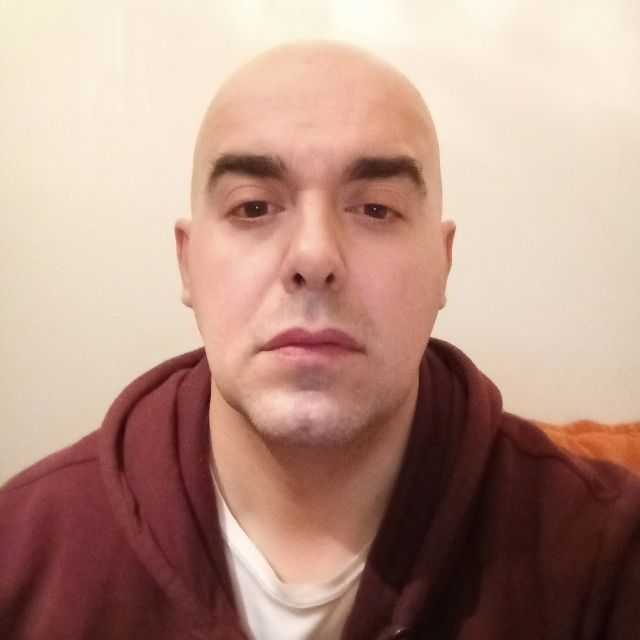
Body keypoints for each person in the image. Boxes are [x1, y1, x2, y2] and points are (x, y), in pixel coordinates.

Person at [1, 41, 639, 640]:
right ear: (187, 263)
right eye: (254, 207)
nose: (313, 257)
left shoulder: (604, 554)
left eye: (375, 209)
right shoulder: (22, 554)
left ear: (443, 264)